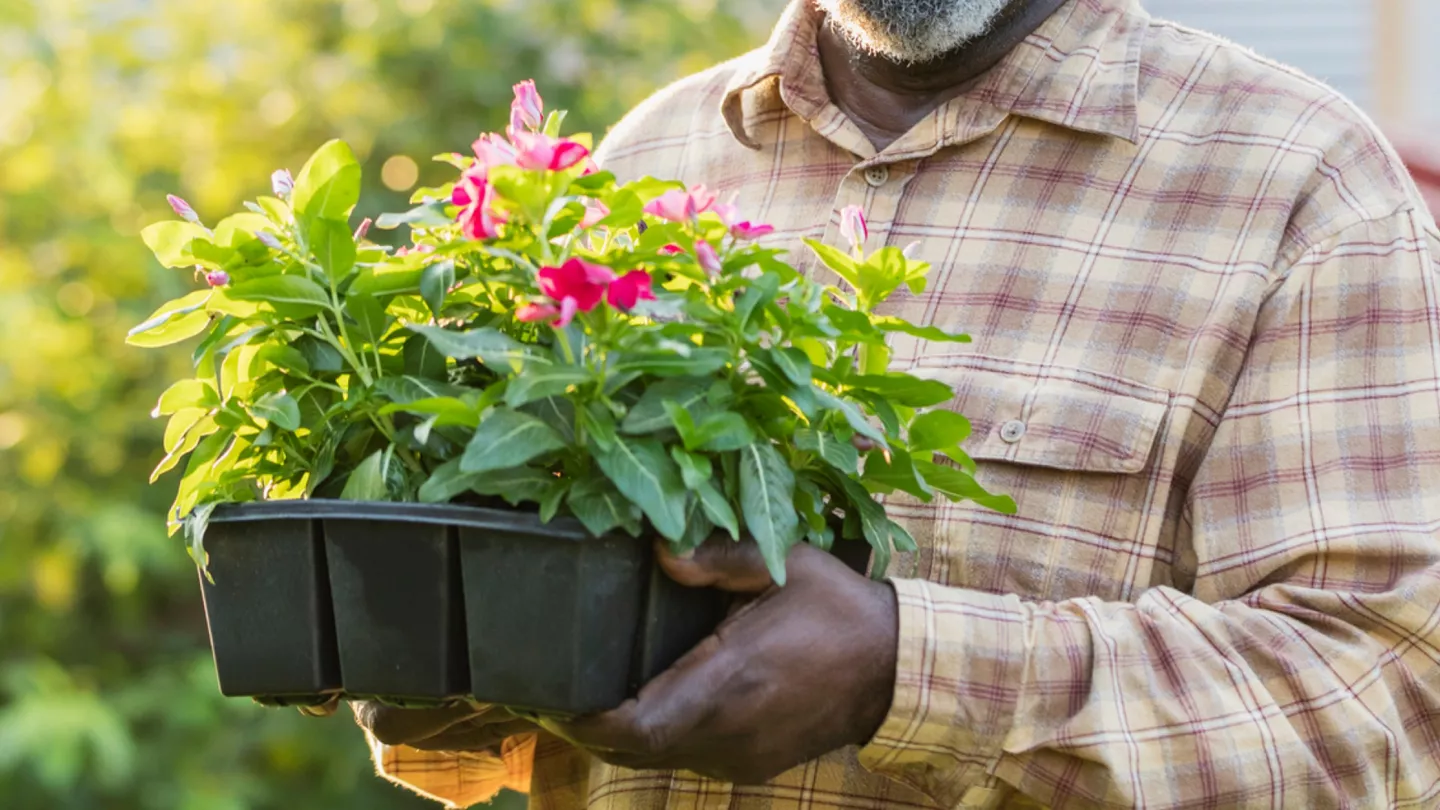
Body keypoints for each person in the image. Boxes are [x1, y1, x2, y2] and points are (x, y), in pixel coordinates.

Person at [340, 0, 1440, 806]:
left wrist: (902, 670)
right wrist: (441, 662)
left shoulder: (1299, 185)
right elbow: (515, 733)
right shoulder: (646, 160)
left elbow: (1375, 714)